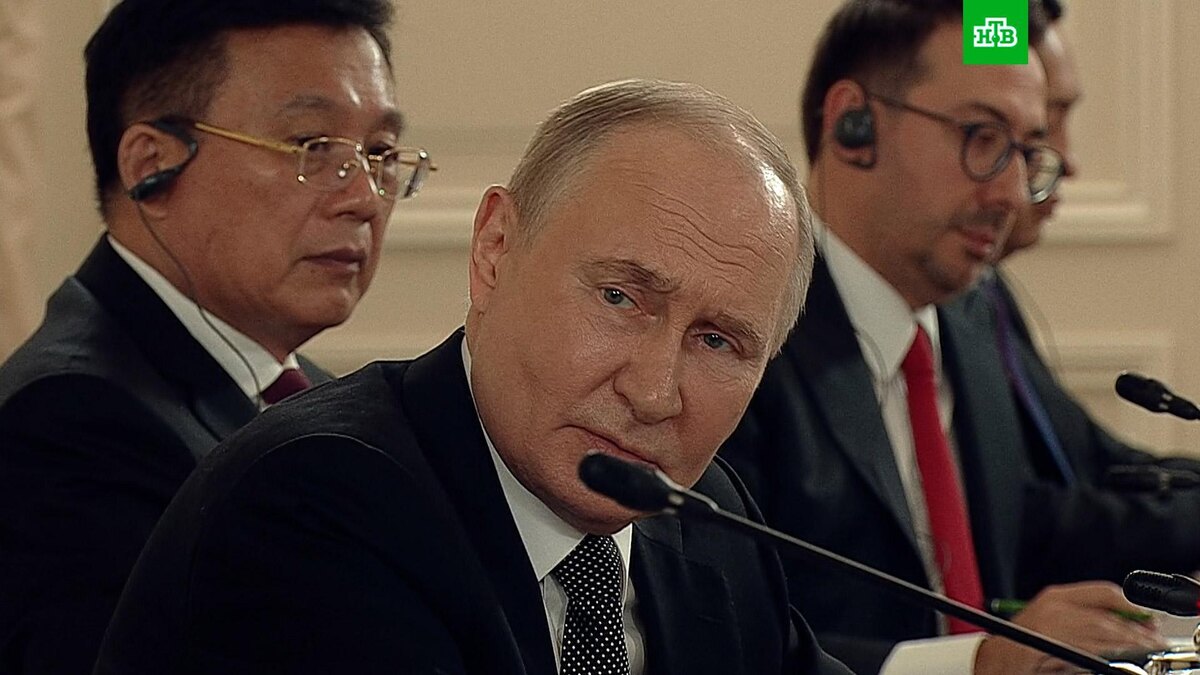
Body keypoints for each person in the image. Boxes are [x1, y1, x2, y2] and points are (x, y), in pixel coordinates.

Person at [94, 78, 851, 675]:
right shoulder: (316, 503)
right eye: (620, 298)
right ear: (495, 248)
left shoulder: (710, 522)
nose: (654, 393)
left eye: (718, 341)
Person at [719, 1, 1167, 673]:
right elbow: (731, 639)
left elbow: (1063, 511)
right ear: (854, 125)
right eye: (982, 137)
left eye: (1027, 152)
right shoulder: (739, 333)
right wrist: (978, 662)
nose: (1011, 193)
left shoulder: (974, 315)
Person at [0, 0, 431, 672]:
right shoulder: (70, 421)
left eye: (378, 153)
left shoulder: (314, 396)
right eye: (312, 146)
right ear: (151, 165)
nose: (365, 199)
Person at [948, 0, 1200, 598]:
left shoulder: (982, 294)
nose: (1067, 161)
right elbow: (1033, 523)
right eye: (1038, 130)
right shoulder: (936, 297)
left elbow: (1097, 462)